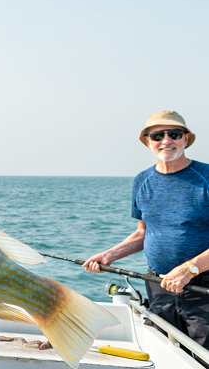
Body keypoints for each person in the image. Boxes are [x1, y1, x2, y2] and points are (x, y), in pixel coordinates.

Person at [83, 110, 209, 348]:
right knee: (166, 352)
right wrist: (109, 256)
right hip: (157, 285)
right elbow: (143, 233)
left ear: (185, 139)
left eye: (174, 134)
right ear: (148, 142)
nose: (166, 140)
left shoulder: (206, 177)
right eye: (157, 135)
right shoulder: (142, 180)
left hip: (201, 287)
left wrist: (189, 269)